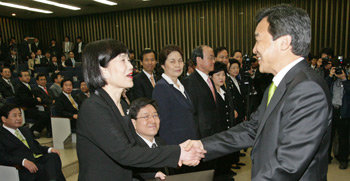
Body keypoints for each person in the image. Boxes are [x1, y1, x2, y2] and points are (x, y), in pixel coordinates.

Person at [185, 4, 332, 180]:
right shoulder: (281, 83)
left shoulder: (307, 89)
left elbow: (287, 166)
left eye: (258, 39)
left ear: (284, 42)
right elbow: (253, 128)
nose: (254, 49)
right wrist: (201, 145)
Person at [76, 39, 205, 181]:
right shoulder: (93, 107)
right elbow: (125, 153)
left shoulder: (123, 106)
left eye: (129, 61)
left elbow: (135, 147)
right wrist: (178, 152)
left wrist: (150, 173)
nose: (131, 66)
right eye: (122, 61)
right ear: (103, 70)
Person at [0, 103, 65, 181]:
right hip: (22, 167)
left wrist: (49, 149)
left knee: (53, 156)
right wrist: (23, 161)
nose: (19, 118)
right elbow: (3, 157)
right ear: (4, 119)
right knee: (46, 170)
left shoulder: (24, 130)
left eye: (20, 115)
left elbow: (35, 146)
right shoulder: (2, 135)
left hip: (36, 159)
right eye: (14, 116)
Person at [152, 45, 198, 145]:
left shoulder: (180, 85)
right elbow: (164, 126)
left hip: (190, 142)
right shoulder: (161, 88)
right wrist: (176, 152)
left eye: (180, 61)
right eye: (172, 61)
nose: (178, 65)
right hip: (177, 147)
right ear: (163, 65)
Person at [129, 98, 168, 181]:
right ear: (134, 123)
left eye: (155, 115)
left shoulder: (161, 142)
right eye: (146, 117)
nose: (152, 120)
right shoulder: (132, 148)